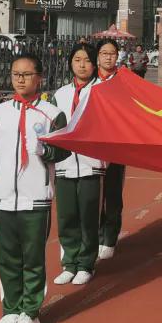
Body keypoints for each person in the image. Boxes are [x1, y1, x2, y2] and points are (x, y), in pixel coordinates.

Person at [0, 53, 69, 323]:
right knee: (6, 259)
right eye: (16, 74)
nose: (20, 79)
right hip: (3, 198)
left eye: (27, 74)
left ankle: (30, 312)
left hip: (36, 198)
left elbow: (65, 150)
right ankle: (10, 310)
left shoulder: (52, 114)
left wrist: (46, 150)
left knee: (32, 258)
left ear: (39, 78)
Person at [51, 42, 103, 286]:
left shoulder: (102, 92)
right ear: (70, 63)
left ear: (94, 64)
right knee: (67, 216)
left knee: (88, 215)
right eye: (77, 60)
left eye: (87, 60)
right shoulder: (60, 94)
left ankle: (86, 264)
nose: (82, 65)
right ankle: (69, 262)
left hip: (91, 163)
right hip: (64, 164)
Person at [94, 39, 126, 259]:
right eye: (104, 53)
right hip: (92, 147)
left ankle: (109, 237)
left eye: (112, 53)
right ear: (98, 56)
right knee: (93, 194)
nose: (108, 57)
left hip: (115, 146)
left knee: (112, 193)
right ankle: (95, 234)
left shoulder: (124, 81)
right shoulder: (90, 81)